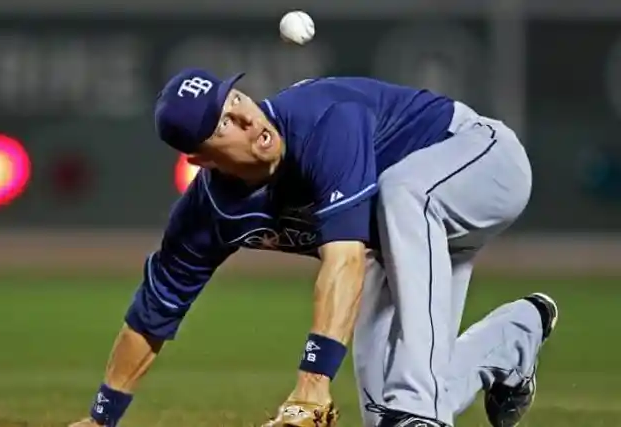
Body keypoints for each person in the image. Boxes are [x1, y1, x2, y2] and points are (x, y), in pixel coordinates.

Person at [68, 69, 558, 427]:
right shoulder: (207, 214)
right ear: (200, 158)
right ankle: (513, 339)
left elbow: (344, 260)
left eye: (236, 97)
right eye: (222, 125)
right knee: (387, 417)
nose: (245, 116)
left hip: (481, 160)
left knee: (400, 192)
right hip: (411, 240)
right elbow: (152, 315)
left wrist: (312, 382)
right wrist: (101, 419)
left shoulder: (323, 119)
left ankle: (416, 405)